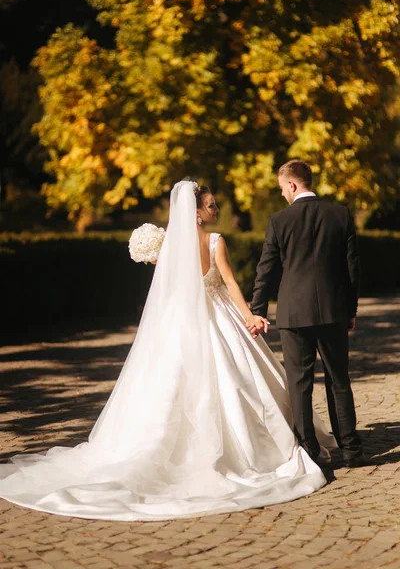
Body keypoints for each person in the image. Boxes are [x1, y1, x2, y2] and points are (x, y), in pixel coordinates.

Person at [0, 180, 334, 522]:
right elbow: (230, 282)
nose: (216, 210)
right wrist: (248, 316)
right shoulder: (215, 241)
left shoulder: (169, 247)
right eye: (211, 205)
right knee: (234, 379)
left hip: (178, 322)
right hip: (216, 316)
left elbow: (167, 291)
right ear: (198, 213)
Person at [250, 160, 364, 468]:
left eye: (281, 189)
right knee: (339, 380)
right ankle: (352, 449)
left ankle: (310, 453)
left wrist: (257, 310)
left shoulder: (279, 221)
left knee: (299, 384)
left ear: (291, 184)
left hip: (294, 313)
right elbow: (352, 268)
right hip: (333, 311)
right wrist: (349, 309)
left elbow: (267, 270)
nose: (282, 195)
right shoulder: (340, 215)